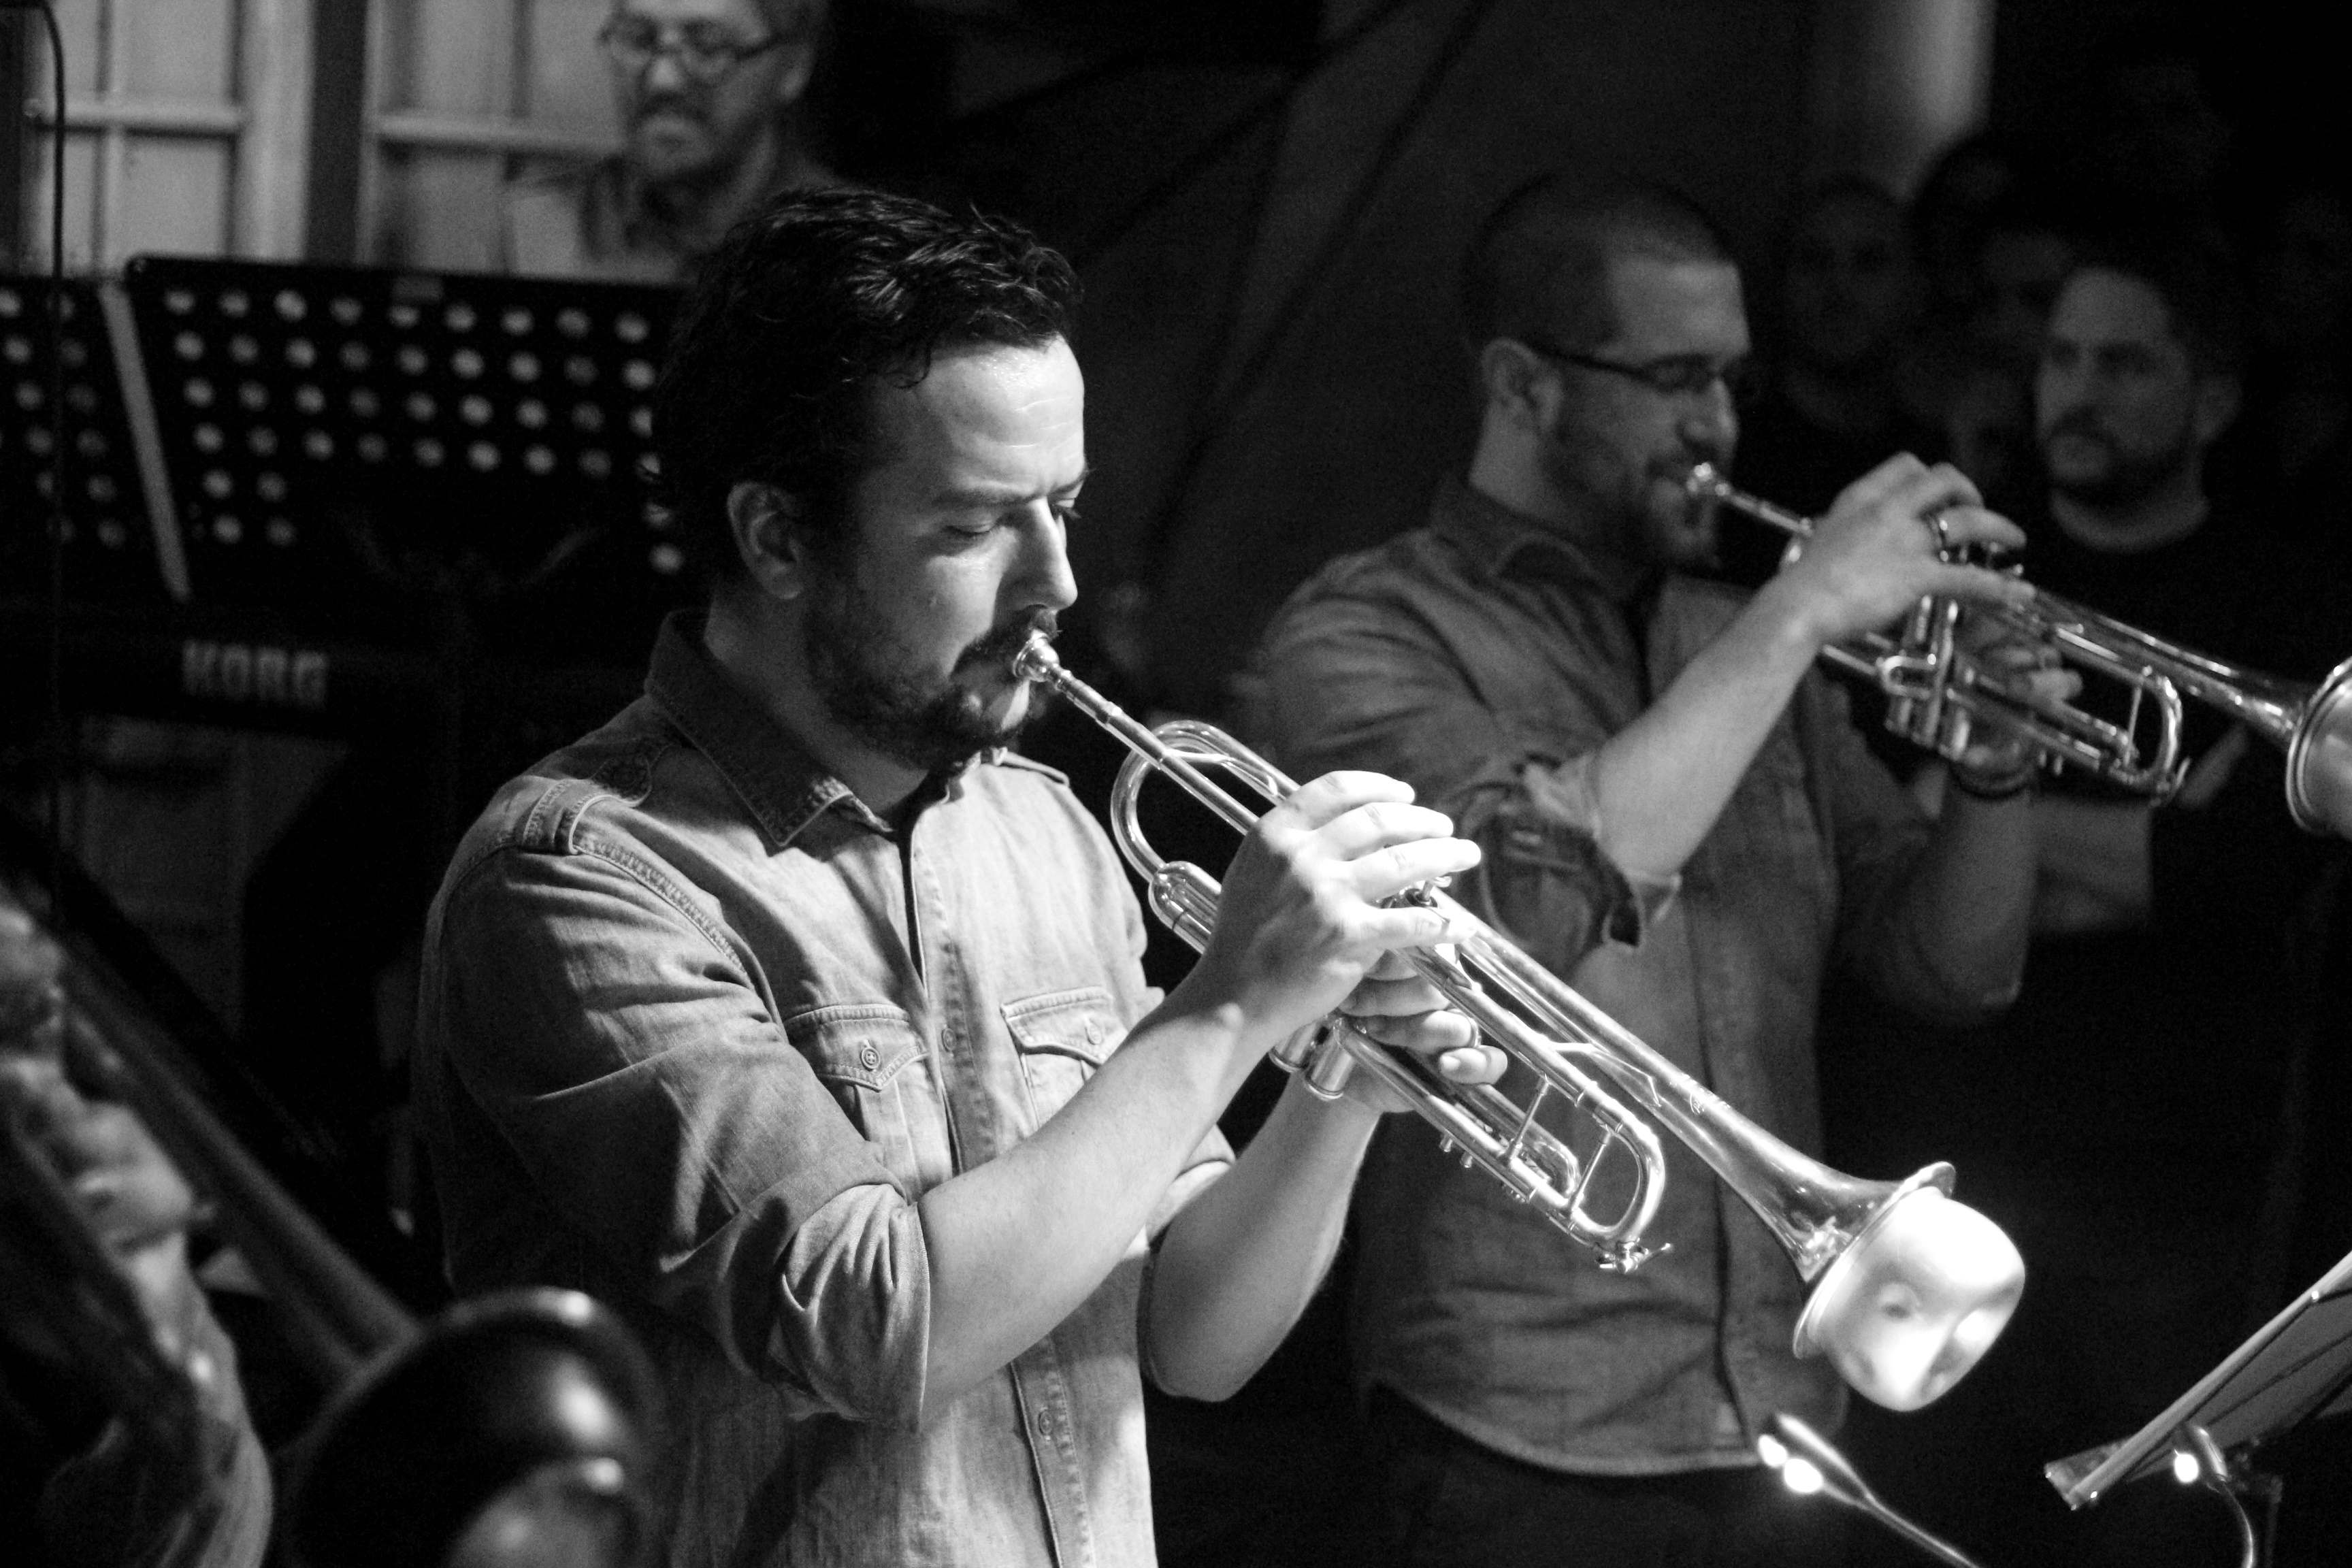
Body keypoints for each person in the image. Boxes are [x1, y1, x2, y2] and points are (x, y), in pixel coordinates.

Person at [413, 188, 1499, 1567]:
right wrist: (1230, 1004)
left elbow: (1196, 1339)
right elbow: (880, 1328)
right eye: (977, 526)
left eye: (1065, 506)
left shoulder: (1046, 829)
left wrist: (1342, 1077)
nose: (1058, 581)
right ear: (778, 538)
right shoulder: (580, 878)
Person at [1243, 174, 2051, 1568]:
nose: (1718, 425)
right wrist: (1800, 613)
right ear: (1523, 386)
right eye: (1677, 380)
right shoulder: (1364, 630)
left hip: (1785, 1415)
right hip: (1517, 1426)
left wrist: (1996, 765)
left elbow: (1954, 970)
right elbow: (1512, 919)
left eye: (1731, 380)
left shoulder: (1743, 643)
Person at [1849, 228, 2345, 1568]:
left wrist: (1985, 814)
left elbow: (2228, 881)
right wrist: (2122, 842)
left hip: (2168, 1191)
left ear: (2212, 397)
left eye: (2123, 364)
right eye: (2061, 357)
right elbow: (1875, 841)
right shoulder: (1966, 577)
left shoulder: (2288, 605)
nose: (2077, 391)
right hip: (1945, 1162)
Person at [502, 0, 841, 281]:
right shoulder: (529, 230)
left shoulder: (844, 247)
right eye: (638, 40)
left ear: (794, 66)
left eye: (708, 47)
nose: (662, 80)